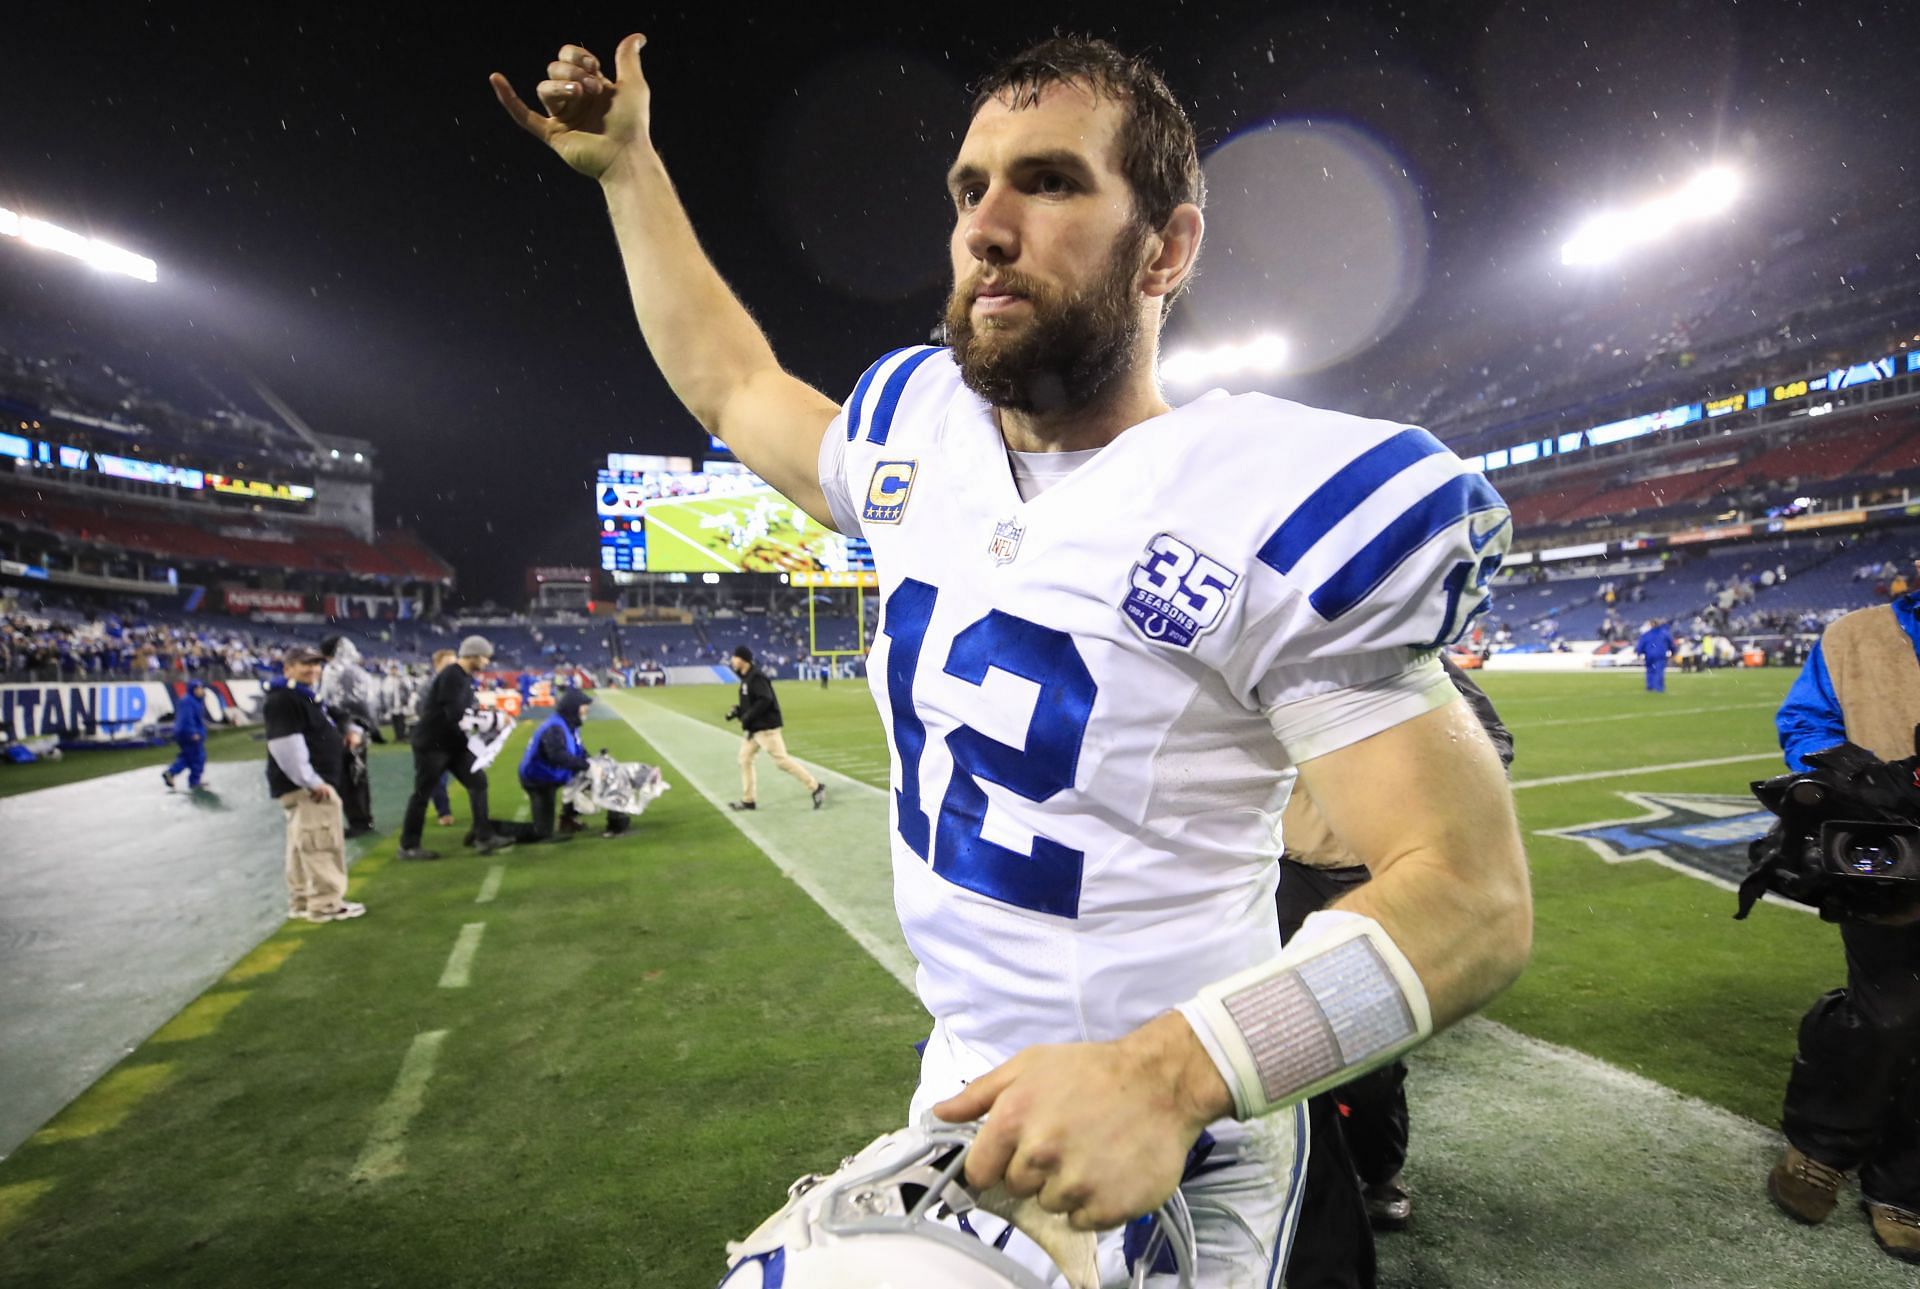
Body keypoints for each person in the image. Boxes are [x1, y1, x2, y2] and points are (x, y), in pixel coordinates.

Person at [495, 34, 1530, 1283]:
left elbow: (1471, 900)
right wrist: (629, 173)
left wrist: (1171, 1075)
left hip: (1181, 1129)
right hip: (964, 1087)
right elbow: (731, 383)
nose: (986, 224)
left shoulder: (1262, 494)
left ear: (1169, 249)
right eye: (968, 187)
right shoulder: (914, 430)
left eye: (1048, 181)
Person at [1276, 654, 1516, 1288]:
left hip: (1372, 876)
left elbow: (1491, 741)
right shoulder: (1269, 655)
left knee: (1367, 1057)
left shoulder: (1396, 656)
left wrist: (1417, 811)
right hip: (1282, 874)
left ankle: (1379, 1169)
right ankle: (1299, 1173)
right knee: (1280, 1034)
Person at [1767, 584, 1920, 1263]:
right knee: (1884, 1007)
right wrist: (1856, 774)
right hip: (1889, 856)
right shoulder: (1855, 634)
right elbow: (1805, 724)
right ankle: (1823, 1145)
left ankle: (1905, 1183)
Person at [265, 646, 364, 923]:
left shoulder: (302, 696)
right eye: (304, 664)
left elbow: (337, 716)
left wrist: (350, 729)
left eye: (316, 665)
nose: (312, 669)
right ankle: (326, 904)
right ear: (288, 668)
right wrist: (311, 780)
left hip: (305, 785)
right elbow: (285, 745)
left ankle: (302, 901)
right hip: (310, 787)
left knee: (300, 847)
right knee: (321, 844)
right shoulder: (285, 699)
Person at [397, 635, 514, 859]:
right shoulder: (453, 675)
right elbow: (457, 714)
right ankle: (408, 846)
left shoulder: (462, 677)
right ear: (473, 655)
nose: (487, 663)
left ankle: (483, 835)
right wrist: (496, 721)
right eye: (485, 657)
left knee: (478, 782)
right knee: (422, 794)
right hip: (433, 744)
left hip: (452, 743)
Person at [723, 645, 824, 812]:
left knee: (781, 761)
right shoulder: (747, 678)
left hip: (766, 728)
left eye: (735, 657)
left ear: (742, 659)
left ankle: (816, 786)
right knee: (744, 759)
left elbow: (765, 699)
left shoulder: (756, 677)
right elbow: (752, 703)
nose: (732, 660)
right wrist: (739, 711)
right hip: (754, 730)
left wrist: (748, 716)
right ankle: (749, 800)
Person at [318, 634, 379, 836]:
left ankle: (359, 822)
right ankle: (362, 819)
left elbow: (342, 704)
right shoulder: (356, 672)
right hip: (356, 730)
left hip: (345, 732)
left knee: (350, 777)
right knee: (356, 775)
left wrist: (350, 729)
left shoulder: (336, 672)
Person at [518, 687, 594, 842]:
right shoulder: (555, 727)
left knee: (587, 777)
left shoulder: (569, 725)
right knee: (543, 833)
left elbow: (579, 751)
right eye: (583, 706)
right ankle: (490, 829)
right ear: (573, 707)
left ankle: (567, 820)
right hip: (539, 780)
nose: (586, 710)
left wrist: (592, 763)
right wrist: (588, 766)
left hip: (551, 774)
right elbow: (557, 756)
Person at [161, 678, 209, 790]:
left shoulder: (194, 701)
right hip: (189, 734)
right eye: (199, 688)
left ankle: (171, 773)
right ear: (193, 689)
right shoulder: (188, 701)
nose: (201, 690)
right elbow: (187, 719)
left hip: (187, 733)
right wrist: (192, 732)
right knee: (198, 757)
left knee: (188, 757)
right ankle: (194, 781)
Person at [1636, 618, 1674, 693]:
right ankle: (1659, 687)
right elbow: (1671, 644)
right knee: (1659, 671)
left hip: (1649, 654)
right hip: (1660, 654)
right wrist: (1673, 652)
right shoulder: (1665, 633)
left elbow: (1641, 644)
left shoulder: (1646, 634)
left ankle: (1650, 686)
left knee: (1650, 670)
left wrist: (1639, 652)